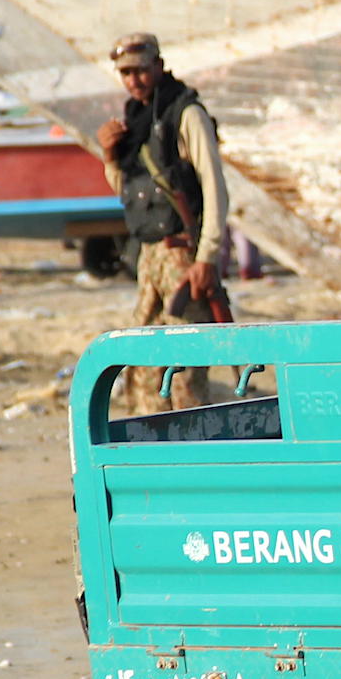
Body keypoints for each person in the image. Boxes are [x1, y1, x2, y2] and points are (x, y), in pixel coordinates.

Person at [95, 33, 234, 415]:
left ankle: (194, 463)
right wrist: (110, 156)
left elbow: (215, 187)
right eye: (126, 73)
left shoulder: (186, 114)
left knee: (184, 367)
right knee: (144, 364)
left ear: (158, 66)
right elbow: (130, 189)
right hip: (150, 256)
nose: (134, 80)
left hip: (182, 256)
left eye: (140, 70)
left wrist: (206, 257)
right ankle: (151, 459)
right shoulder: (135, 120)